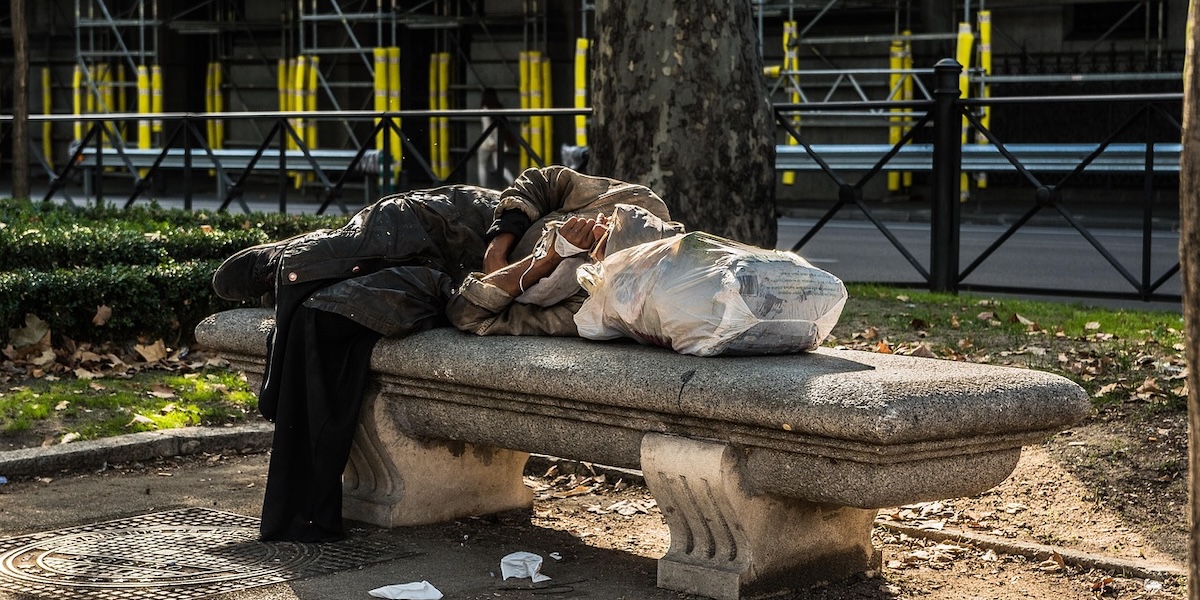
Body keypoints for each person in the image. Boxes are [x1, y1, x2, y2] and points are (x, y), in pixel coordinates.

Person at [210, 165, 673, 542]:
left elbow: (470, 315)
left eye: (601, 257)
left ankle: (299, 275)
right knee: (342, 253)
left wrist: (545, 263)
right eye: (601, 236)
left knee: (325, 315)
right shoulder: (635, 204)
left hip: (445, 286)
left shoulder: (589, 308)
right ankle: (289, 263)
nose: (595, 244)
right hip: (459, 222)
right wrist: (501, 247)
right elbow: (542, 181)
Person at [477, 88, 517, 188]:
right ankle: (513, 182)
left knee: (482, 165)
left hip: (486, 141)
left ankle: (482, 188)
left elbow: (486, 127)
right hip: (499, 140)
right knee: (498, 165)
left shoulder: (485, 109)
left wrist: (490, 142)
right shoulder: (499, 107)